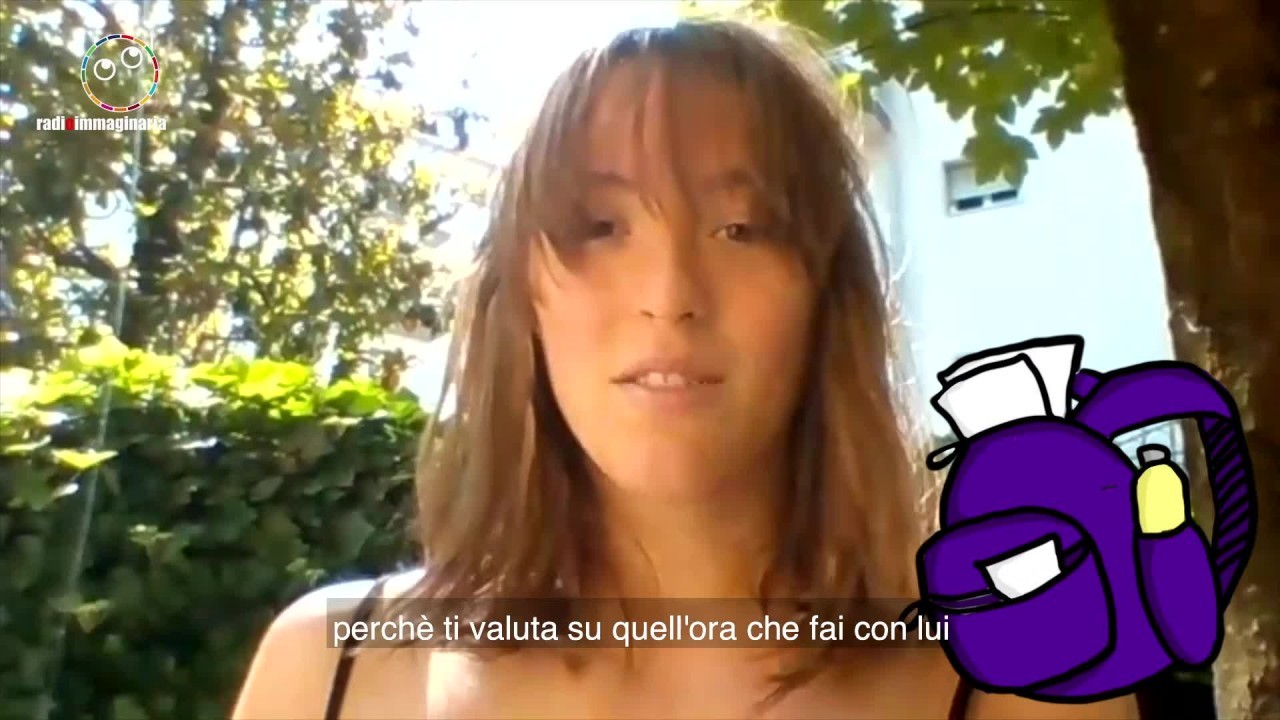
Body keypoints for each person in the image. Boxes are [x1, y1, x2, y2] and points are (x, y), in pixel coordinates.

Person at [233, 18, 1139, 720]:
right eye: (602, 227)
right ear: (521, 296)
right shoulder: (326, 670)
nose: (669, 295)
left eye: (740, 228)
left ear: (827, 296)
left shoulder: (1035, 676)